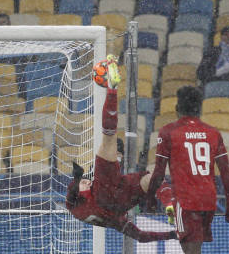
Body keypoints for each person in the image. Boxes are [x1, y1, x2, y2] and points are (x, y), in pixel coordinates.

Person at [145, 86, 229, 254]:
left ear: (177, 108)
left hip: (186, 201)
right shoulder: (213, 133)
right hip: (208, 200)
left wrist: (149, 199)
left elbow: (158, 172)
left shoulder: (169, 132)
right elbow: (226, 173)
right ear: (199, 108)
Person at [66, 55, 178, 243]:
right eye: (84, 183)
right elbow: (71, 195)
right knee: (108, 139)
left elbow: (140, 236)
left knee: (151, 178)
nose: (87, 182)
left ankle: (170, 204)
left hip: (121, 201)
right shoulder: (82, 200)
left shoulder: (110, 221)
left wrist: (172, 235)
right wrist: (78, 177)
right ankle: (112, 89)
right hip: (108, 193)